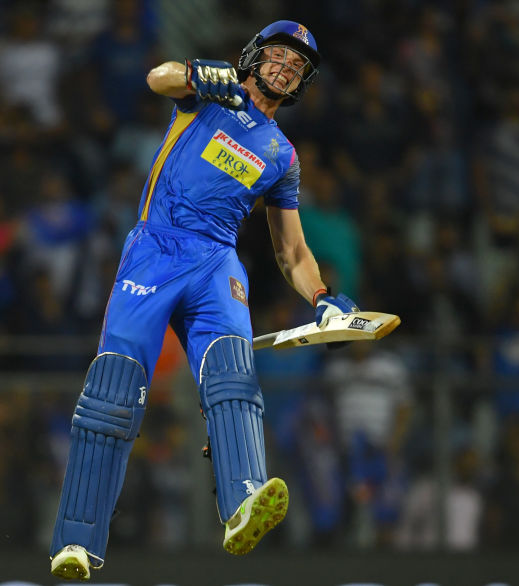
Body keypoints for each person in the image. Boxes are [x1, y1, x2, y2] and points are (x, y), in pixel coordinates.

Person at [50, 21, 359, 580]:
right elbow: (157, 78)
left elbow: (292, 251)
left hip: (217, 260)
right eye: (279, 56)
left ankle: (243, 503)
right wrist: (197, 74)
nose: (285, 69)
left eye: (298, 67)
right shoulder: (211, 91)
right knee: (113, 393)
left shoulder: (282, 155)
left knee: (233, 377)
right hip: (155, 248)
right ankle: (76, 542)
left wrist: (322, 297)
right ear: (254, 56)